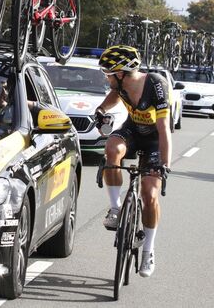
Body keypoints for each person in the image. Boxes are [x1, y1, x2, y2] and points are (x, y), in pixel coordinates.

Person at [95, 45, 171, 278]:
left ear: (121, 73)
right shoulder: (121, 85)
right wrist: (102, 108)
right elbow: (115, 96)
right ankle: (116, 208)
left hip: (155, 140)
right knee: (111, 149)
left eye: (108, 73)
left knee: (149, 195)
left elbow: (164, 128)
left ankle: (148, 249)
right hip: (132, 131)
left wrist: (164, 165)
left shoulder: (156, 85)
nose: (106, 77)